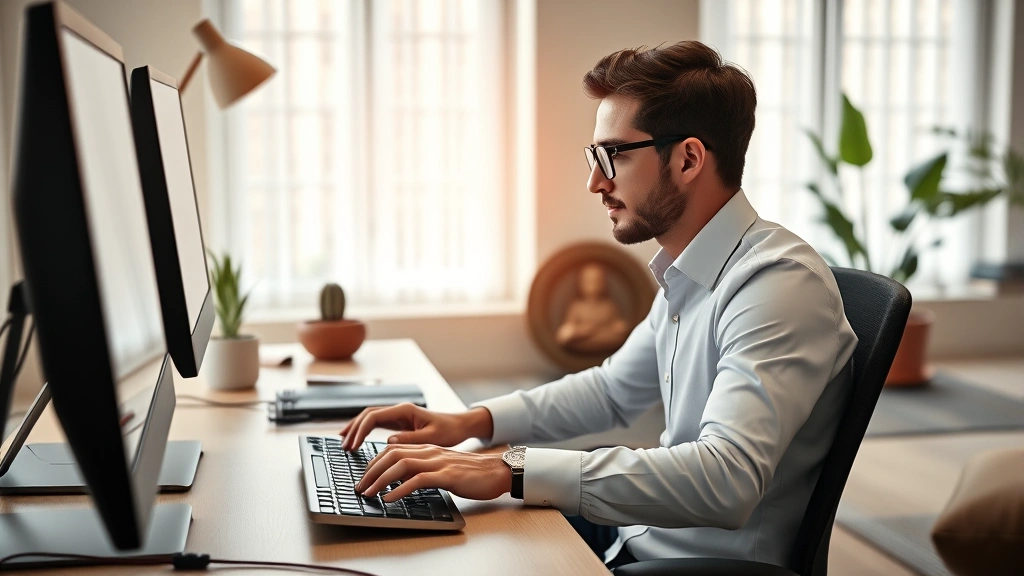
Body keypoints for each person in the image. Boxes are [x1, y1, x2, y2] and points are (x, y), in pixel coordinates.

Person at [340, 40, 857, 570]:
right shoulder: (694, 271)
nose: (595, 182)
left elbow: (725, 478)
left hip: (692, 565)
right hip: (634, 534)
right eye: (594, 157)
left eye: (612, 155)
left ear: (688, 158)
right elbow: (613, 392)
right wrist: (472, 423)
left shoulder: (776, 284)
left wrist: (511, 468)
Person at [555, 262, 630, 354]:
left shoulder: (608, 306)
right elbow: (566, 331)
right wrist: (583, 330)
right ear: (580, 283)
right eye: (588, 281)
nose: (593, 284)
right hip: (584, 338)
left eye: (597, 280)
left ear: (603, 283)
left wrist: (619, 327)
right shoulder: (577, 306)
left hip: (604, 338)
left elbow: (618, 325)